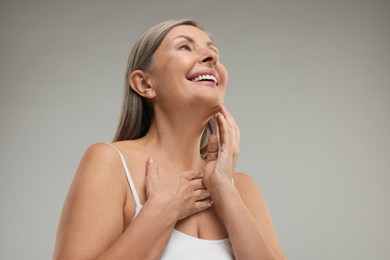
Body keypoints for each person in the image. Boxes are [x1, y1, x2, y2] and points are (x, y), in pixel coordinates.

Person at [53, 19, 287, 260]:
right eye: (185, 47)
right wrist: (162, 209)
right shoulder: (109, 163)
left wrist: (224, 189)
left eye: (213, 51)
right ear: (144, 84)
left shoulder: (242, 188)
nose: (210, 57)